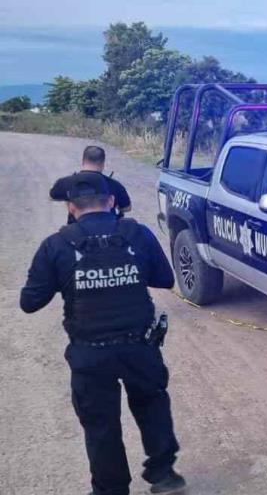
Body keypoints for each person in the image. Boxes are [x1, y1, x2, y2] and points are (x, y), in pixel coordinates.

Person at [20, 173, 186, 495]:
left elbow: (30, 302)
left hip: (90, 353)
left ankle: (111, 491)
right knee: (152, 405)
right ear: (111, 202)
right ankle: (164, 475)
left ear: (71, 207)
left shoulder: (56, 245)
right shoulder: (136, 234)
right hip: (140, 346)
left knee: (100, 426)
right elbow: (165, 278)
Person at [50, 145, 132, 223]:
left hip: (75, 232)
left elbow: (53, 196)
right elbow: (127, 207)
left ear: (83, 161)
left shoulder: (67, 182)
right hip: (108, 232)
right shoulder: (114, 185)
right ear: (102, 163)